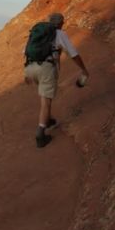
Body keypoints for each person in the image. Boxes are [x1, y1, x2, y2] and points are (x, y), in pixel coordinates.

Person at [24, 12, 88, 148]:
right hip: (46, 68)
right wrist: (84, 70)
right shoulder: (59, 33)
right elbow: (74, 54)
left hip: (30, 67)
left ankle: (48, 119)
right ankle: (40, 134)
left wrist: (27, 73)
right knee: (46, 102)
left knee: (44, 97)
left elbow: (26, 51)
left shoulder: (37, 32)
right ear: (61, 23)